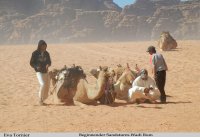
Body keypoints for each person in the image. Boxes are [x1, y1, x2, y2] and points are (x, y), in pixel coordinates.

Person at [30, 40, 51, 105]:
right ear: (40, 46)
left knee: (47, 86)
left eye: (45, 46)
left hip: (45, 71)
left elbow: (49, 61)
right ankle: (40, 99)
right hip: (39, 72)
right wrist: (36, 67)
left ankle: (42, 100)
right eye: (43, 46)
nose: (44, 47)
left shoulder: (47, 53)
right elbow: (31, 63)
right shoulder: (35, 53)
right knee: (42, 84)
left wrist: (48, 64)